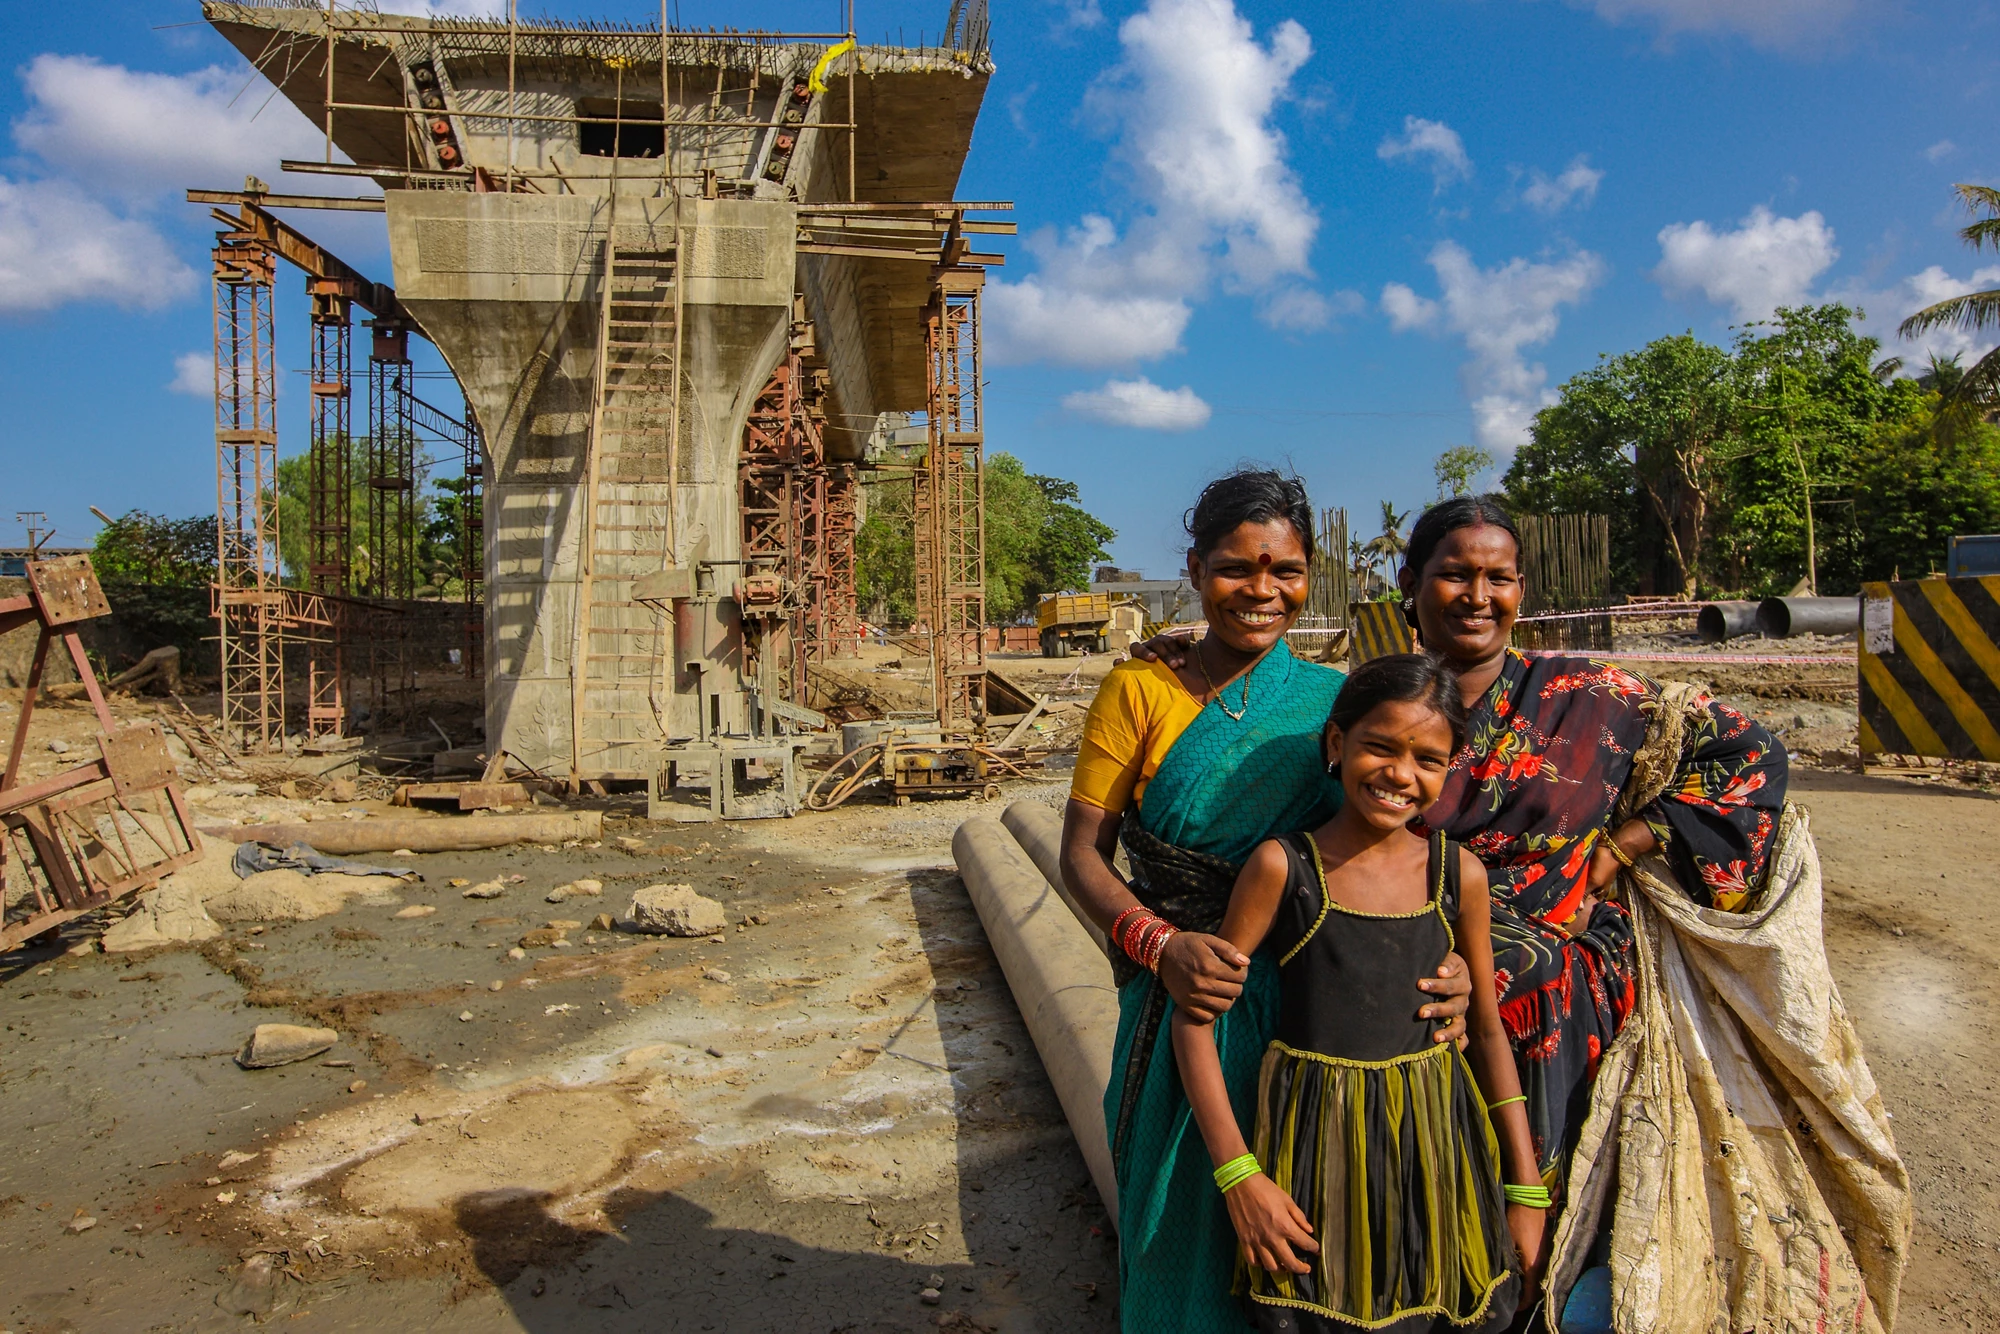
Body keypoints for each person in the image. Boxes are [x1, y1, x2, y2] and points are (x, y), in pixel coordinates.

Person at [1132, 494, 1787, 1204]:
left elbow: (1749, 752)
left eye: (1498, 578)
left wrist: (1629, 843)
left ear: (1520, 591)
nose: (1478, 597)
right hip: (1389, 957)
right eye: (1454, 575)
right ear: (1410, 584)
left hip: (1538, 975)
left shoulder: (1595, 696)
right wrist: (1185, 655)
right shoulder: (1369, 704)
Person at [1059, 469, 1475, 1332]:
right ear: (1197, 567)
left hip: (1310, 1016)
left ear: (1310, 572)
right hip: (1180, 998)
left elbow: (1391, 854)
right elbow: (1081, 855)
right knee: (1179, 1218)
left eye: (1284, 570)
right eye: (1235, 568)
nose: (1261, 591)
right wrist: (1161, 948)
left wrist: (1458, 965)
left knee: (1306, 1230)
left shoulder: (1337, 707)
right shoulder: (1140, 690)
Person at [1172, 654, 1544, 1333]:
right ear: (1338, 744)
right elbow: (1192, 1021)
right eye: (1380, 746)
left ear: (1450, 767)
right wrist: (1239, 1178)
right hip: (1320, 1148)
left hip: (1440, 1148)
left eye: (1428, 759)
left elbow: (1487, 1032)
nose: (1402, 774)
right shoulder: (1284, 867)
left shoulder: (1457, 875)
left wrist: (1525, 1187)